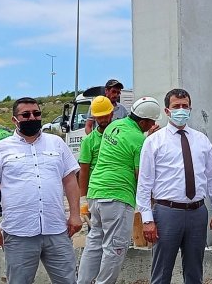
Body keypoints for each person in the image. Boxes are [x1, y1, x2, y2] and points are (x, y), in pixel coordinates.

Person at [0, 97, 82, 284]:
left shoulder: (57, 144)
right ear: (14, 120)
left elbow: (70, 181)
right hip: (19, 233)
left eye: (36, 113)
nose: (32, 117)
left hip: (56, 230)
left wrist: (75, 214)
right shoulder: (0, 149)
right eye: (26, 115)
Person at [136, 88, 212, 284]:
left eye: (185, 106)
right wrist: (147, 219)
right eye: (176, 106)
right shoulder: (153, 142)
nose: (181, 110)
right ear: (167, 111)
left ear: (190, 108)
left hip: (197, 212)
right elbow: (144, 183)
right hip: (167, 212)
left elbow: (211, 177)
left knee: (195, 270)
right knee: (161, 271)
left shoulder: (201, 140)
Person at [77, 97, 161, 284]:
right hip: (117, 196)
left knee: (94, 243)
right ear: (143, 121)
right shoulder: (140, 140)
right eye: (151, 122)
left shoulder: (116, 126)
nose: (152, 126)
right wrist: (151, 202)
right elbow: (142, 176)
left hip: (96, 193)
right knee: (115, 247)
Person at [78, 96, 115, 200]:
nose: (103, 120)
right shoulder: (89, 141)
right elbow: (84, 171)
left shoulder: (121, 136)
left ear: (111, 114)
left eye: (105, 116)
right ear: (94, 117)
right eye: (99, 117)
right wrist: (83, 197)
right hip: (96, 192)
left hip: (117, 189)